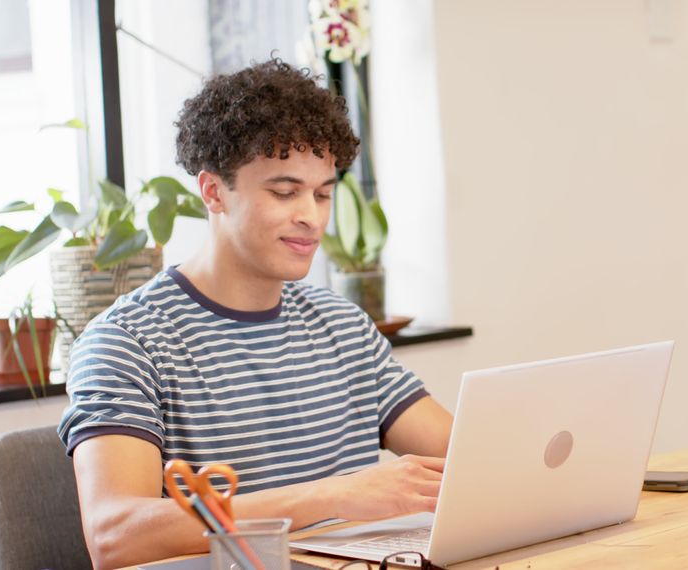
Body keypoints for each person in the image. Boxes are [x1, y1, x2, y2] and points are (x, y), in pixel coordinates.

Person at [57, 59, 453, 569]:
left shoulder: (343, 326)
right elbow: (115, 536)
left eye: (323, 193)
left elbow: (466, 459)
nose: (311, 217)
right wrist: (334, 497)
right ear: (214, 191)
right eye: (284, 192)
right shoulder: (126, 342)